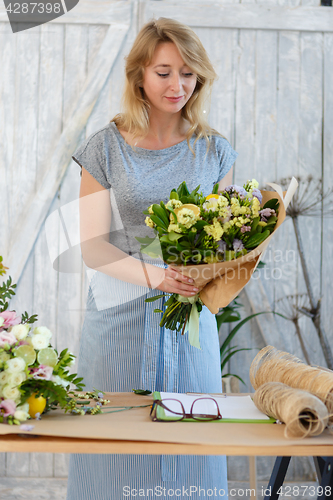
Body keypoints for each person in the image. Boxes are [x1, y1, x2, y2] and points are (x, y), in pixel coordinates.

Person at [66, 17, 237, 500]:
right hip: (117, 318)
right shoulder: (106, 146)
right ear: (139, 73)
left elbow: (222, 242)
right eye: (164, 72)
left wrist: (215, 270)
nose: (177, 85)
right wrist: (156, 276)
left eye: (188, 73)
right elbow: (93, 246)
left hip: (190, 324)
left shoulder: (214, 151)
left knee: (191, 446)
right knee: (113, 449)